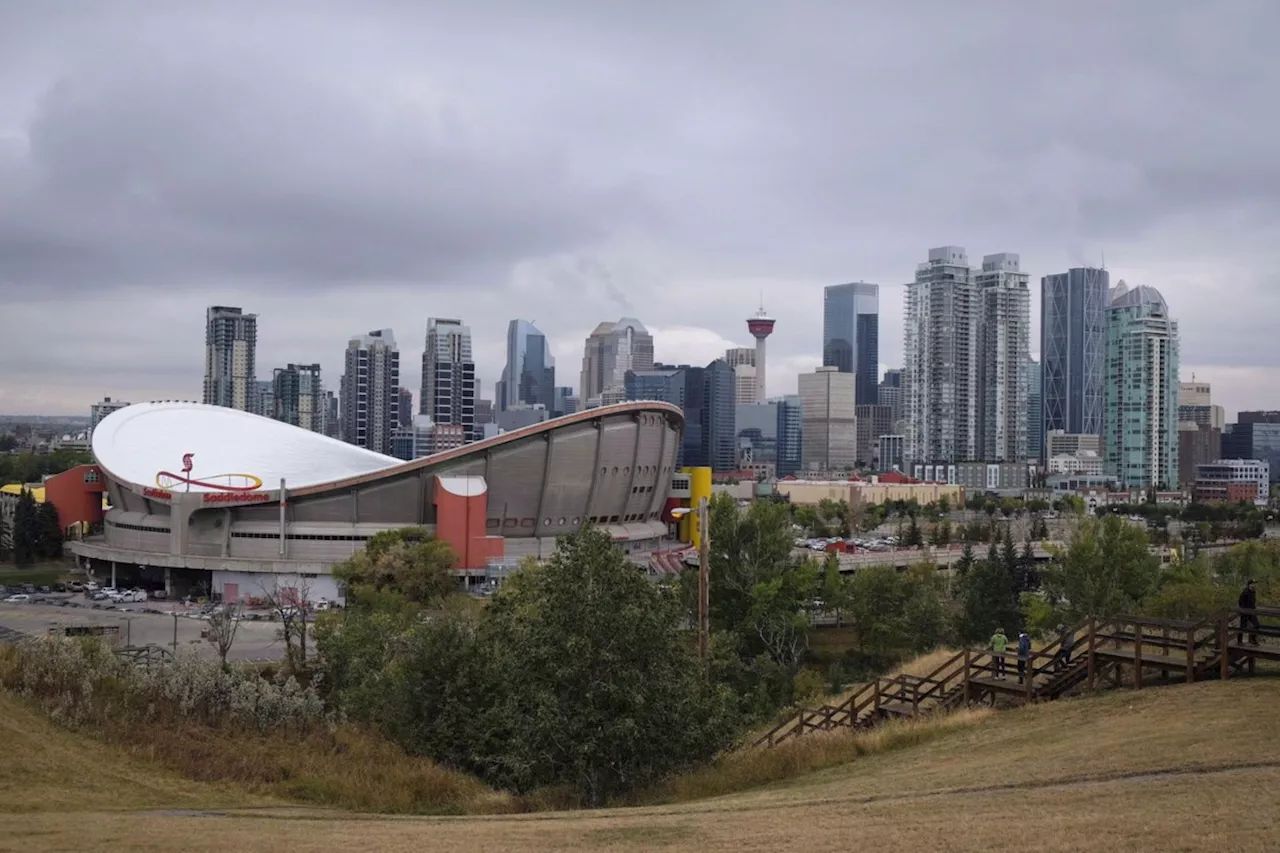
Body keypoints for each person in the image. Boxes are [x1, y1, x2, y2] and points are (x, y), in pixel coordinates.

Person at [1238, 580, 1259, 645]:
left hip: (1251, 611)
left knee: (1256, 625)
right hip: (1245, 611)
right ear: (1249, 584)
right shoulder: (1245, 592)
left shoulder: (1253, 592)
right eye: (1253, 583)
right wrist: (1244, 609)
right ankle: (1239, 641)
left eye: (1255, 583)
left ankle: (1253, 640)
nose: (1254, 585)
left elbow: (1253, 601)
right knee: (1242, 627)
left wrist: (1254, 607)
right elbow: (1240, 602)